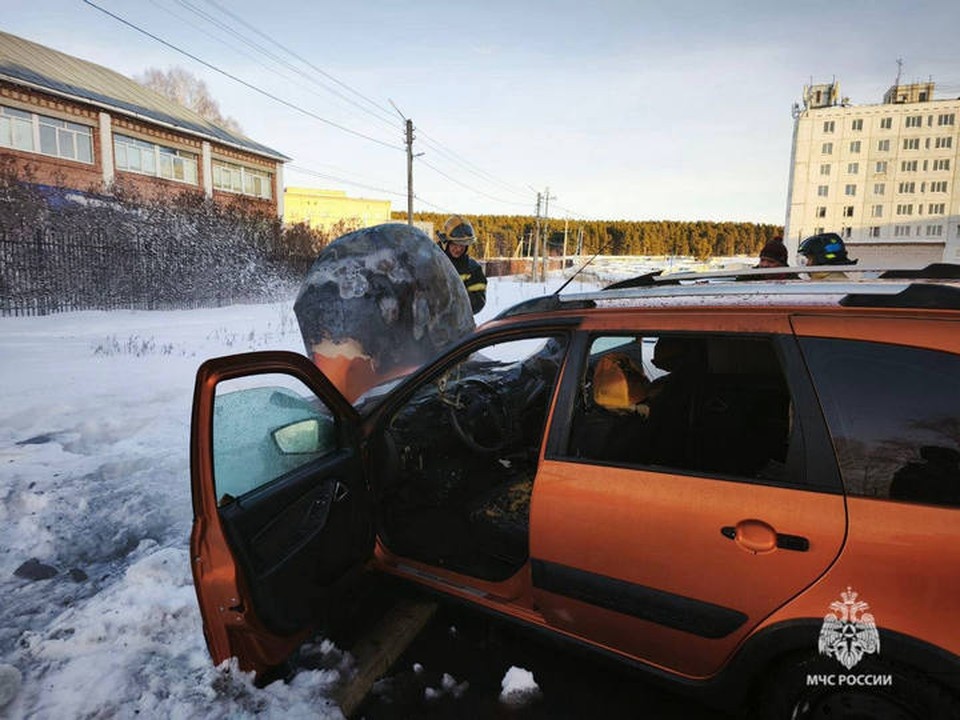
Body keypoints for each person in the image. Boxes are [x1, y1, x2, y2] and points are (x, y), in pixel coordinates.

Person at [437, 215, 487, 314]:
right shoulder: (434, 263)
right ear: (446, 243)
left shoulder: (473, 269)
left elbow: (478, 303)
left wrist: (452, 298)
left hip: (458, 323)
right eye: (455, 244)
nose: (459, 249)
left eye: (462, 245)